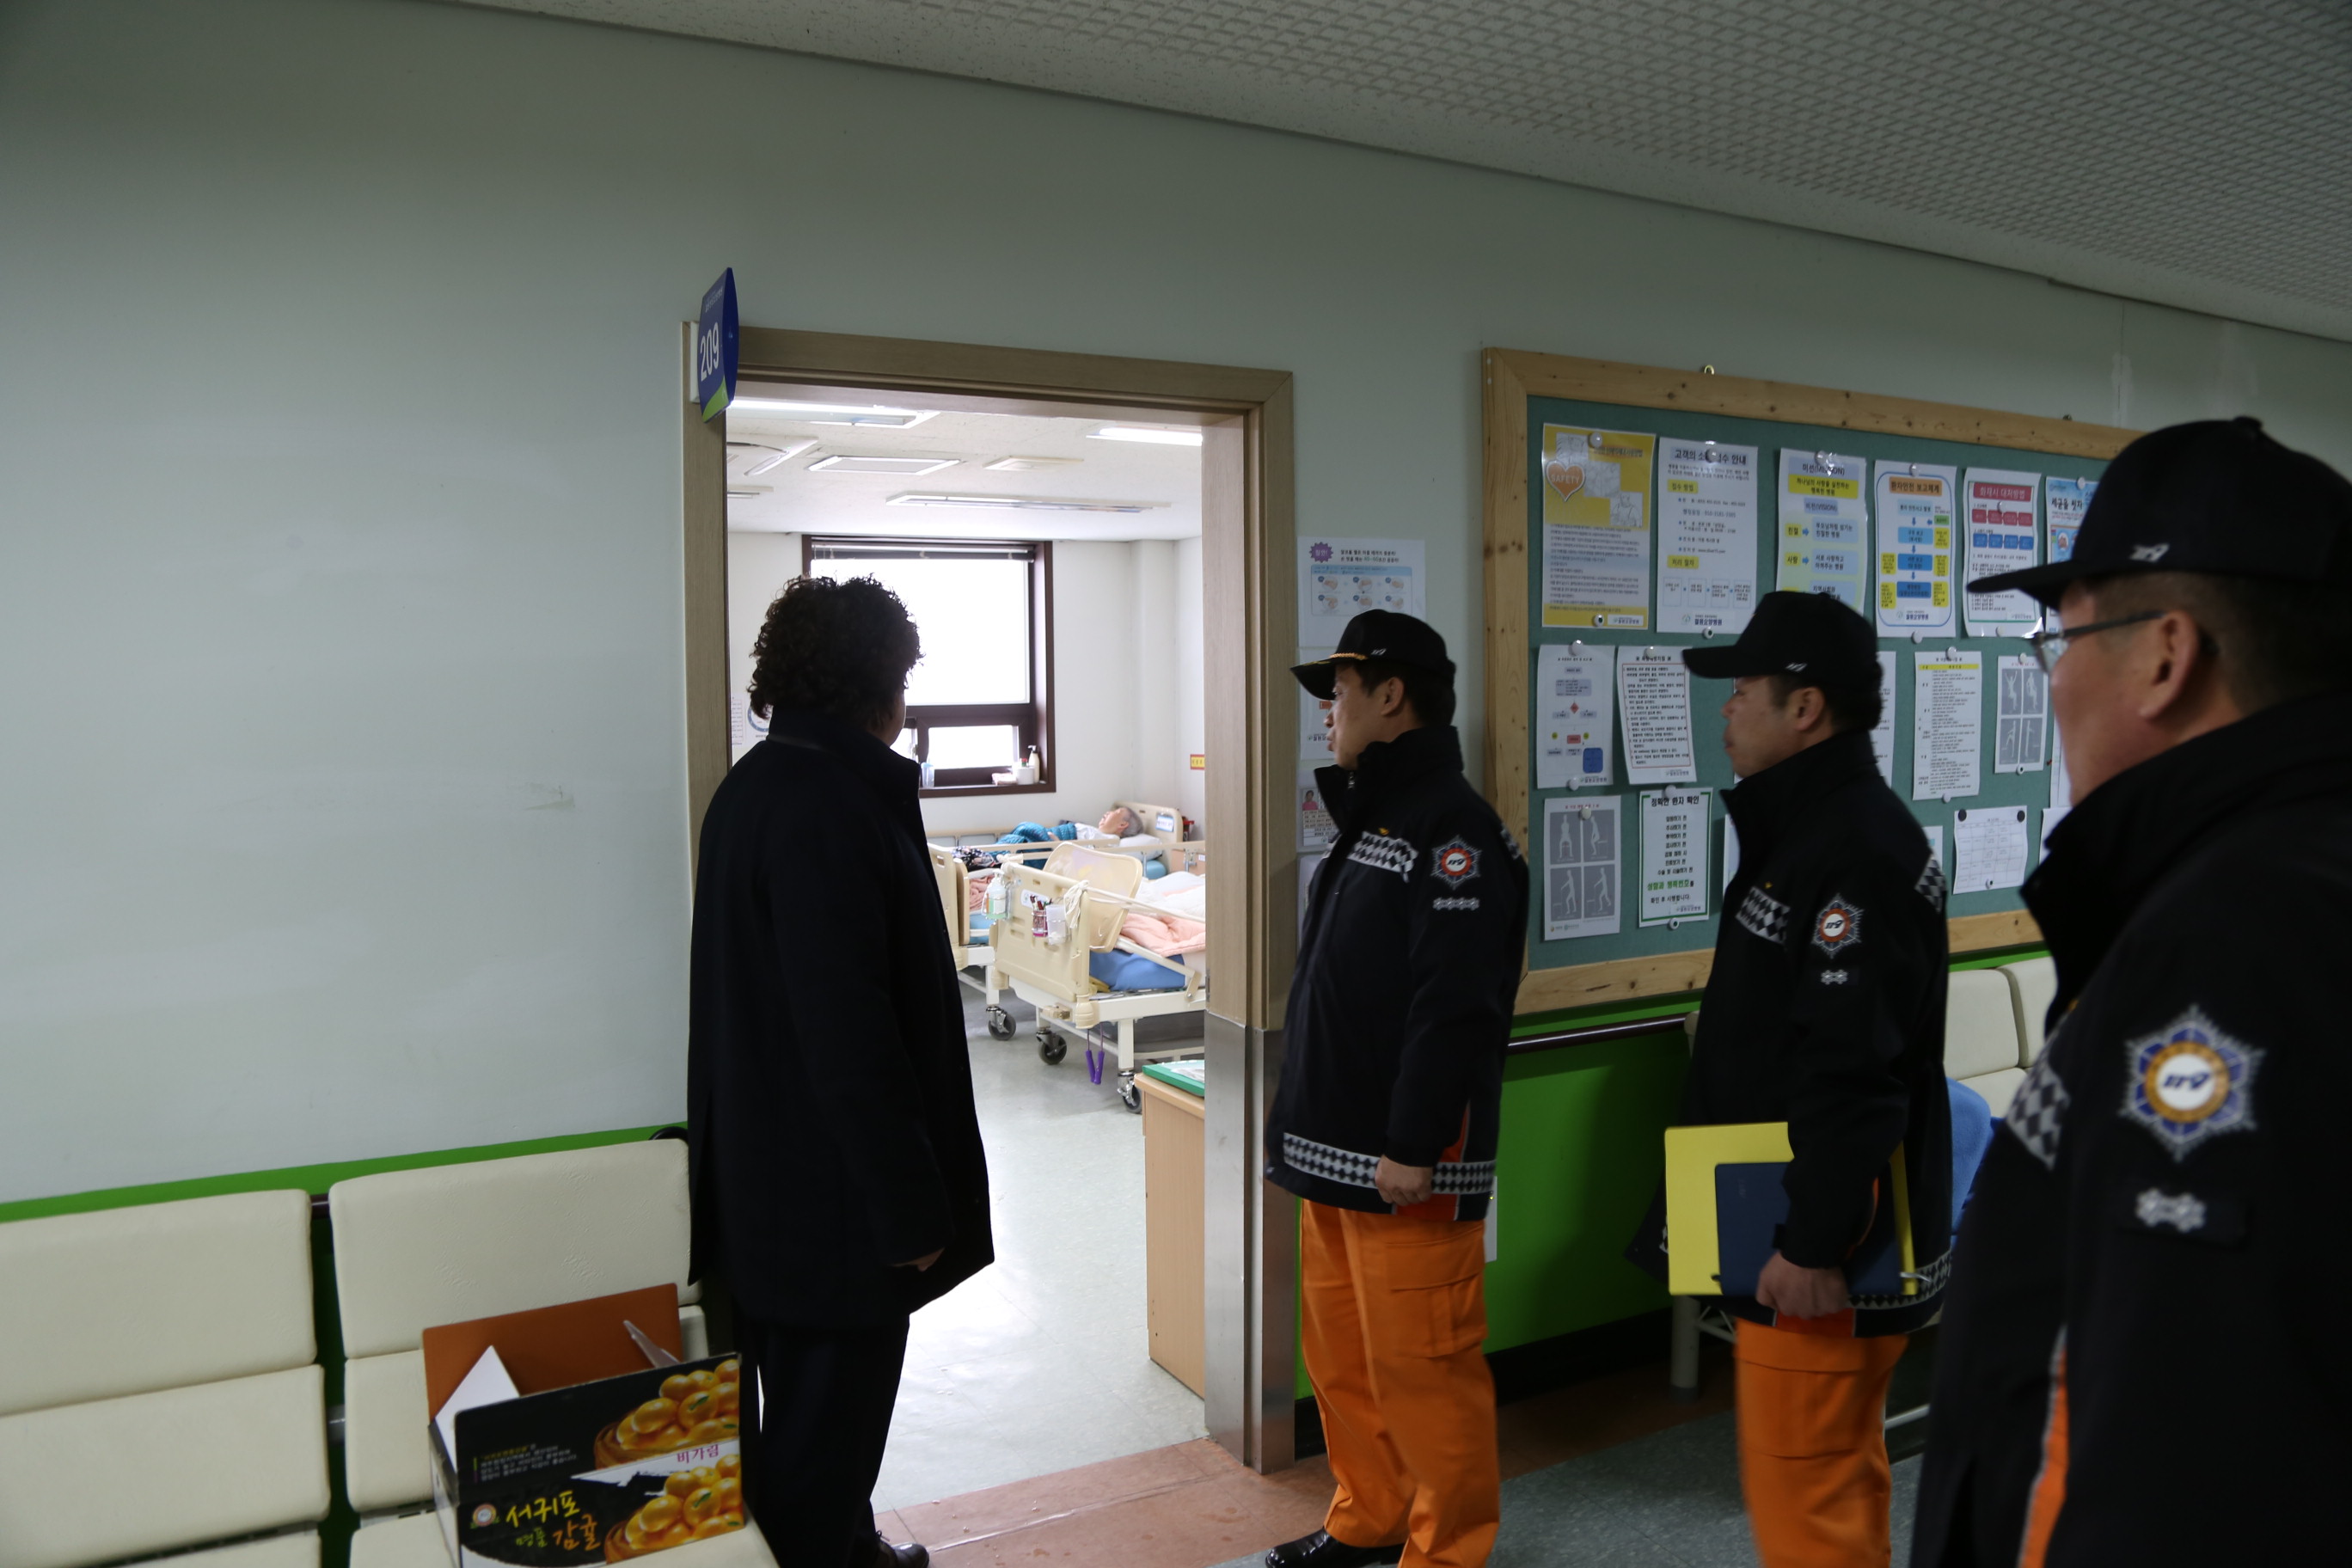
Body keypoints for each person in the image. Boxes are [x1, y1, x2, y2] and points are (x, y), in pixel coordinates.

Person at [1911, 419, 2352, 1566]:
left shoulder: (2232, 941)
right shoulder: (2294, 874)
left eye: (2064, 637)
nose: (2056, 678)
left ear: (2166, 655)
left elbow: (2174, 1456)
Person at [1629, 590, 1951, 1568]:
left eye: (1742, 689)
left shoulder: (1859, 850)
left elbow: (1853, 1066)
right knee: (1813, 1492)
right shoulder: (1808, 832)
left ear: (1805, 707)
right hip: (1777, 1220)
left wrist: (1812, 1243)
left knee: (1811, 1500)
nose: (1725, 708)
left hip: (1816, 1250)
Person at [687, 576, 994, 1568]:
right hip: (831, 1210)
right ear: (882, 686)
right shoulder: (831, 809)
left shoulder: (757, 788)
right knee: (823, 1451)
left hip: (769, 1190)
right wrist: (908, 1211)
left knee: (808, 1437)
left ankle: (849, 1547)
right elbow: (849, 1035)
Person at [1263, 610, 1528, 1568]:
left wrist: (1415, 1144)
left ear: (1390, 694)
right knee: (1345, 1364)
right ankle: (1368, 1517)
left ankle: (1446, 1550)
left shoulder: (1455, 832)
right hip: (1340, 1161)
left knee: (1425, 1375)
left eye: (1338, 692)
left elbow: (1455, 1006)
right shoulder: (1374, 816)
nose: (1327, 712)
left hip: (1404, 1170)